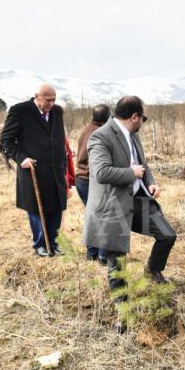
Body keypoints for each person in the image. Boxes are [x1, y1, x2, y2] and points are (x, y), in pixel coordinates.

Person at [83, 96, 177, 333]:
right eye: (143, 118)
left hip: (139, 201)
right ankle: (122, 313)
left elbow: (144, 166)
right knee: (117, 263)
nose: (143, 122)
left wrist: (150, 182)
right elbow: (101, 172)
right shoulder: (100, 136)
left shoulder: (133, 137)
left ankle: (152, 270)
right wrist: (130, 172)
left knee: (167, 235)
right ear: (134, 116)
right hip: (113, 207)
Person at [0, 84, 68, 257]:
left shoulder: (57, 112)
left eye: (54, 100)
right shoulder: (20, 111)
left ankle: (53, 242)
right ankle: (40, 244)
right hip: (34, 170)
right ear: (37, 96)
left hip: (56, 169)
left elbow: (57, 136)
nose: (51, 103)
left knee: (56, 206)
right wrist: (21, 158)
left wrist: (65, 150)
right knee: (37, 208)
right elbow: (6, 141)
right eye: (48, 100)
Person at [75, 104, 111, 263]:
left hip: (81, 179)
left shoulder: (86, 129)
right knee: (103, 217)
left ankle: (92, 254)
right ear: (107, 118)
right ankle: (102, 255)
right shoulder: (99, 133)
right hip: (90, 180)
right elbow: (94, 163)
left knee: (94, 217)